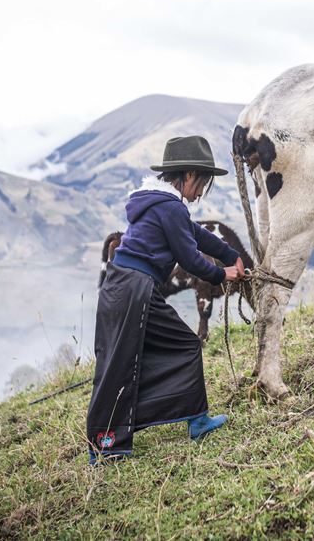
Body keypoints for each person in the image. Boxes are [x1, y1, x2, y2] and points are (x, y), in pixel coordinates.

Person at [86, 135, 245, 465]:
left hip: (120, 285)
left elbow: (197, 235)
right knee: (180, 346)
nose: (201, 192)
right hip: (134, 288)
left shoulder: (160, 203)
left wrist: (230, 254)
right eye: (202, 183)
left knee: (122, 359)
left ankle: (108, 443)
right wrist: (222, 275)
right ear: (188, 175)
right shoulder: (170, 206)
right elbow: (189, 257)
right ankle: (109, 443)